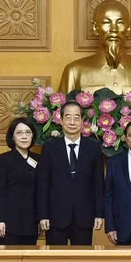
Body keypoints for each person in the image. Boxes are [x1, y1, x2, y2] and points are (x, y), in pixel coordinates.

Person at [58, 0, 131, 94]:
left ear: (128, 29)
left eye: (120, 23)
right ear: (95, 28)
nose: (114, 29)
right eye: (106, 22)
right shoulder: (74, 72)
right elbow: (62, 114)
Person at [36, 101, 104, 245]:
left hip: (84, 217)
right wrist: (43, 215)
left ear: (82, 121)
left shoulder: (94, 147)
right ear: (60, 120)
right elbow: (43, 184)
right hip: (55, 217)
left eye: (76, 118)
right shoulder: (49, 148)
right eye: (68, 117)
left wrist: (99, 214)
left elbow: (98, 183)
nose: (72, 122)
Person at [0, 118, 40, 245]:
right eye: (19, 133)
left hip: (31, 223)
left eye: (27, 132)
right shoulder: (4, 159)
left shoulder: (38, 159)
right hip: (9, 223)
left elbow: (41, 192)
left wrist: (40, 219)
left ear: (33, 136)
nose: (24, 136)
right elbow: (0, 192)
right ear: (12, 137)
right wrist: (0, 220)